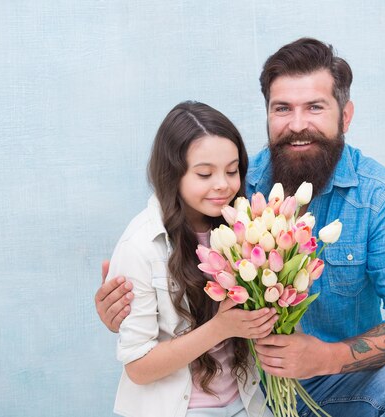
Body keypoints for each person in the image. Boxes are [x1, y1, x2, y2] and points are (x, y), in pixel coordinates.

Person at [97, 39, 385, 416]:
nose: (297, 125)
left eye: (315, 107)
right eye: (283, 109)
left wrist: (326, 358)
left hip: (342, 382)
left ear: (345, 116)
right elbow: (172, 264)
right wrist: (124, 307)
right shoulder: (234, 187)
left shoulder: (377, 197)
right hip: (250, 392)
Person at [103, 101, 278, 417]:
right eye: (205, 173)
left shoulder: (246, 228)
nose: (222, 184)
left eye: (232, 170)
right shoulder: (142, 245)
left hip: (245, 403)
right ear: (173, 174)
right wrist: (220, 328)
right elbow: (138, 367)